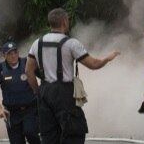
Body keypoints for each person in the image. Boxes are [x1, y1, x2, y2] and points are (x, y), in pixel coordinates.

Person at [25, 8, 120, 144]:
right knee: (74, 133)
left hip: (45, 92)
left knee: (49, 137)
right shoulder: (71, 43)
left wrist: (38, 91)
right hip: (64, 93)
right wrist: (108, 58)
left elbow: (28, 71)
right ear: (64, 22)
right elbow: (93, 64)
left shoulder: (37, 43)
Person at [0, 40, 39, 144]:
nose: (13, 55)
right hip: (12, 113)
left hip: (30, 110)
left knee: (30, 133)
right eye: (9, 53)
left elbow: (45, 77)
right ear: (4, 56)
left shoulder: (28, 63)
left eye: (15, 52)